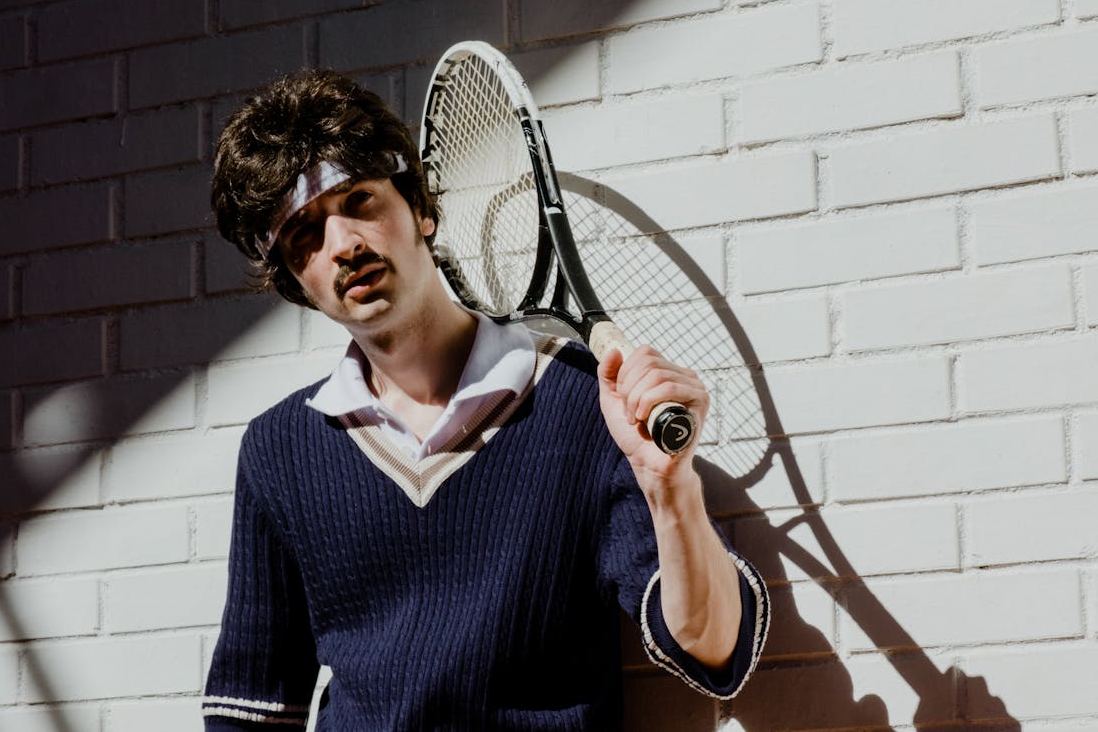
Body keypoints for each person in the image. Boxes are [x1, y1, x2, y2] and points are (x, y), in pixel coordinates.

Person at [202, 69, 769, 730]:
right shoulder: (280, 450)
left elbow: (714, 647)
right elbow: (250, 711)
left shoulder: (582, 402)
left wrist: (670, 487)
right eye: (304, 233)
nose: (344, 245)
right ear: (295, 280)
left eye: (360, 200)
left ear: (420, 208)